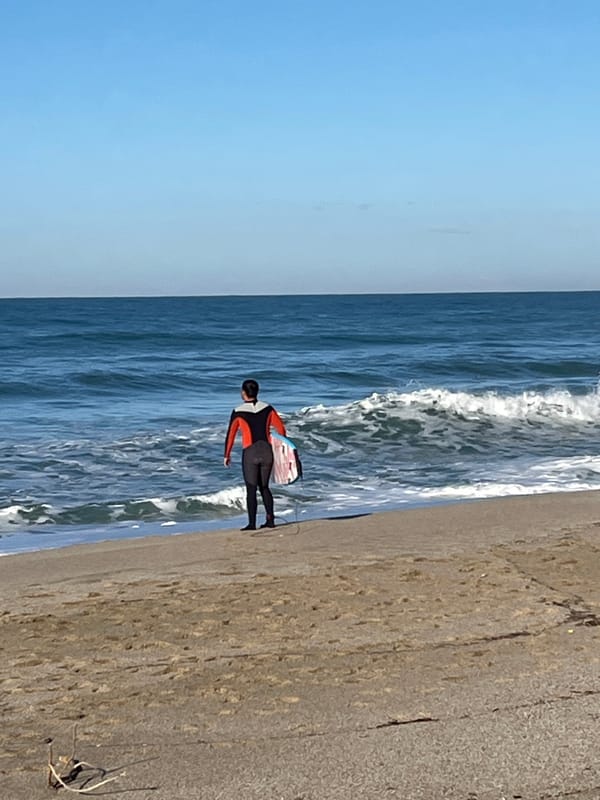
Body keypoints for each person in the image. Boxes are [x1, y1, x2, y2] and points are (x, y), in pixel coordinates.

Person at [224, 379, 286, 531]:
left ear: (243, 393)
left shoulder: (238, 411)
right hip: (266, 451)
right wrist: (280, 448)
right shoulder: (268, 408)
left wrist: (227, 455)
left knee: (251, 489)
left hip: (250, 453)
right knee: (264, 487)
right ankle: (270, 520)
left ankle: (252, 524)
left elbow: (231, 434)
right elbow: (282, 430)